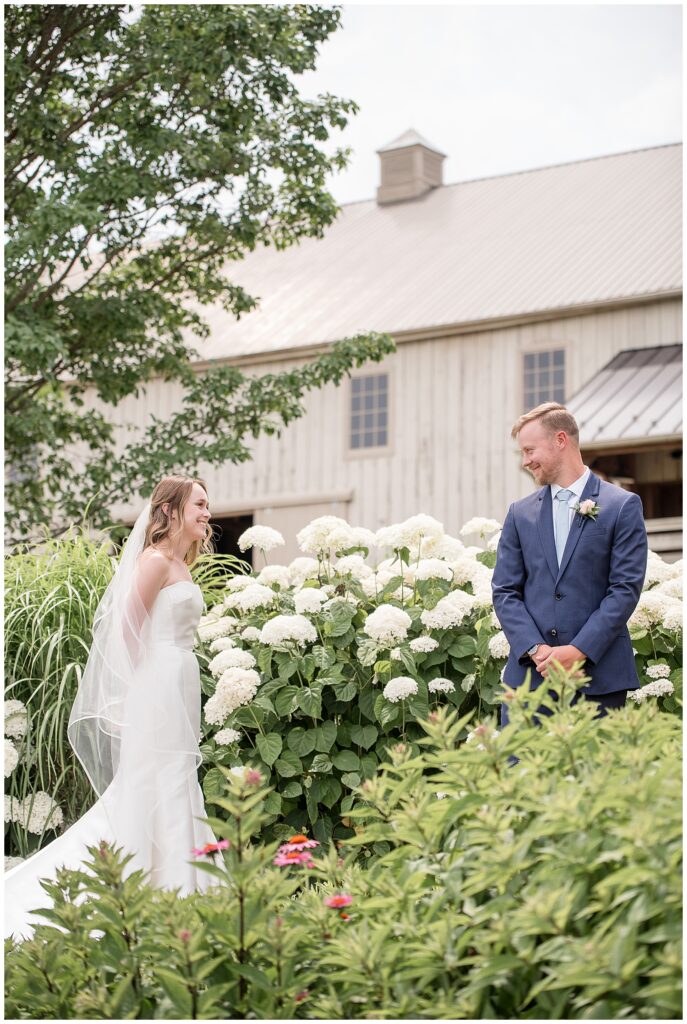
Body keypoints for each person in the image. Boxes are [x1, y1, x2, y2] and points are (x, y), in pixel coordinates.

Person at [5, 476, 220, 940]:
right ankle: (148, 888)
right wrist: (132, 697)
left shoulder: (182, 564)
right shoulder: (155, 561)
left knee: (177, 778)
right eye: (200, 504)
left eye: (208, 505)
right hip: (157, 685)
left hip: (179, 679)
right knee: (153, 780)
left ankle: (183, 885)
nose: (207, 512)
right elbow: (125, 631)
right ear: (172, 510)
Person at [492, 403, 647, 726]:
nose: (525, 461)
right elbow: (505, 591)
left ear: (560, 440)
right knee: (519, 774)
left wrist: (577, 651)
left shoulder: (621, 506)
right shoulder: (519, 514)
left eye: (530, 450)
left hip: (599, 680)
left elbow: (624, 590)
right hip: (529, 683)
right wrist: (537, 651)